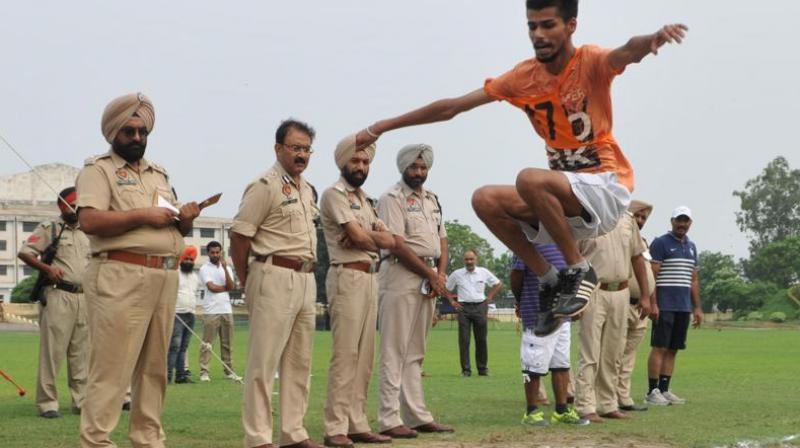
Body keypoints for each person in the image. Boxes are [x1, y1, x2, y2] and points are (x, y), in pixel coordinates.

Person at [353, 0, 689, 336]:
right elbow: (452, 108)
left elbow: (626, 52)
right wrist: (382, 125)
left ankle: (578, 269)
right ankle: (550, 278)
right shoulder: (523, 77)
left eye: (548, 25)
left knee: (529, 179)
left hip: (605, 189)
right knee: (484, 199)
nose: (539, 34)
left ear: (571, 25)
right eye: (532, 26)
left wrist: (652, 40)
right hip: (564, 203)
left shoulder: (590, 62)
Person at [76, 92, 200, 447]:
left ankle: (148, 439)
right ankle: (96, 441)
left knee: (154, 370)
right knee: (111, 369)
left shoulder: (158, 174)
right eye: (129, 132)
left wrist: (185, 220)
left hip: (163, 275)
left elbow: (174, 226)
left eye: (142, 132)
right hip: (120, 274)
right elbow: (89, 220)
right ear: (112, 133)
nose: (137, 139)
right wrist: (143, 214)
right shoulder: (97, 170)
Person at [230, 119, 323, 448]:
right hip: (272, 275)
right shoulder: (264, 186)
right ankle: (258, 437)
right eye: (295, 147)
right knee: (263, 362)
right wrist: (248, 281)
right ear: (278, 148)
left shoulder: (308, 189)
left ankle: (293, 433)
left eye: (306, 149)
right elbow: (239, 238)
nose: (301, 155)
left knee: (300, 363)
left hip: (306, 277)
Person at [319, 135, 395, 448]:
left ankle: (356, 422)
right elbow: (363, 239)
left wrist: (367, 236)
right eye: (355, 161)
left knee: (365, 357)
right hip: (346, 276)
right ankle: (335, 426)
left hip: (370, 277)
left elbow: (389, 240)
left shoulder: (365, 200)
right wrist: (367, 236)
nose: (361, 166)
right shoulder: (333, 195)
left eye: (365, 162)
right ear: (343, 162)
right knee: (346, 354)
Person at [376, 144, 454, 439]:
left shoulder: (432, 199)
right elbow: (397, 244)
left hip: (429, 277)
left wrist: (441, 274)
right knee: (394, 351)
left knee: (415, 352)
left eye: (423, 168)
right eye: (414, 167)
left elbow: (441, 241)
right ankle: (388, 418)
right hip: (400, 274)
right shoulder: (390, 198)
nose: (419, 173)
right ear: (403, 168)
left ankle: (417, 415)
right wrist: (432, 275)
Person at [18, 187, 90, 418]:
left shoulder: (89, 231)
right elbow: (25, 252)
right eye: (72, 204)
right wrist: (47, 268)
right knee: (53, 353)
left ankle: (81, 401)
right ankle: (48, 403)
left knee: (82, 354)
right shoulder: (51, 229)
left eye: (80, 204)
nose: (77, 208)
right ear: (63, 206)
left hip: (84, 297)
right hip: (59, 296)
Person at [573, 211, 651, 423]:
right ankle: (585, 405)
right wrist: (575, 297)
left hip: (622, 292)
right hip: (593, 289)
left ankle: (608, 404)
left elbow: (637, 257)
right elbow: (572, 258)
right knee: (590, 351)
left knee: (613, 351)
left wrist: (645, 295)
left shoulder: (627, 220)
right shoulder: (584, 217)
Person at [511, 247, 586, 427]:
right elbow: (516, 275)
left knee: (561, 364)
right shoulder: (527, 240)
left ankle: (561, 410)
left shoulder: (564, 243)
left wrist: (574, 304)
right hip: (537, 312)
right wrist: (519, 300)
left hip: (562, 314)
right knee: (533, 364)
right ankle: (532, 412)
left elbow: (574, 276)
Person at [645, 206, 702, 406]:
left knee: (673, 349)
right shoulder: (661, 243)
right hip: (664, 304)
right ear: (672, 221)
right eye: (679, 220)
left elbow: (693, 279)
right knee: (659, 347)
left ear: (690, 223)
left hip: (683, 306)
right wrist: (653, 303)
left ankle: (664, 389)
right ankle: (652, 390)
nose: (682, 224)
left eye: (686, 221)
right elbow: (652, 275)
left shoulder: (692, 247)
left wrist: (697, 308)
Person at [616, 200, 655, 412]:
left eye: (643, 218)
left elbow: (650, 275)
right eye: (636, 216)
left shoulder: (644, 243)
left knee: (629, 356)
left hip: (641, 307)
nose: (640, 221)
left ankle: (623, 396)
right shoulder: (618, 238)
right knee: (613, 352)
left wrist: (652, 301)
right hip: (621, 301)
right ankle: (605, 396)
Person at [445, 250, 502, 377]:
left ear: (476, 260)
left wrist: (490, 297)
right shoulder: (456, 274)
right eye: (467, 259)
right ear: (463, 260)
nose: (469, 262)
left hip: (480, 306)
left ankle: (482, 369)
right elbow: (446, 288)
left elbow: (498, 284)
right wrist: (452, 302)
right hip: (463, 308)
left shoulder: (483, 272)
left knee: (481, 339)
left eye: (471, 259)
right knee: (464, 340)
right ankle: (466, 370)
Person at [198, 240, 239, 382]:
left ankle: (229, 371)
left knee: (228, 343)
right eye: (212, 252)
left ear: (221, 252)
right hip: (211, 310)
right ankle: (204, 372)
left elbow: (232, 286)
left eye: (217, 252)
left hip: (226, 309)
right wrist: (225, 287)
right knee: (207, 343)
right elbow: (212, 287)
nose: (215, 255)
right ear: (208, 253)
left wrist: (226, 268)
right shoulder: (204, 268)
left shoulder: (226, 267)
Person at [167, 246, 201, 384]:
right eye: (186, 258)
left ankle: (181, 376)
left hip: (190, 314)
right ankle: (167, 376)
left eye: (191, 259)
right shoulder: (175, 273)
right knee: (174, 346)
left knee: (183, 347)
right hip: (177, 315)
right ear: (181, 259)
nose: (188, 261)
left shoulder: (195, 277)